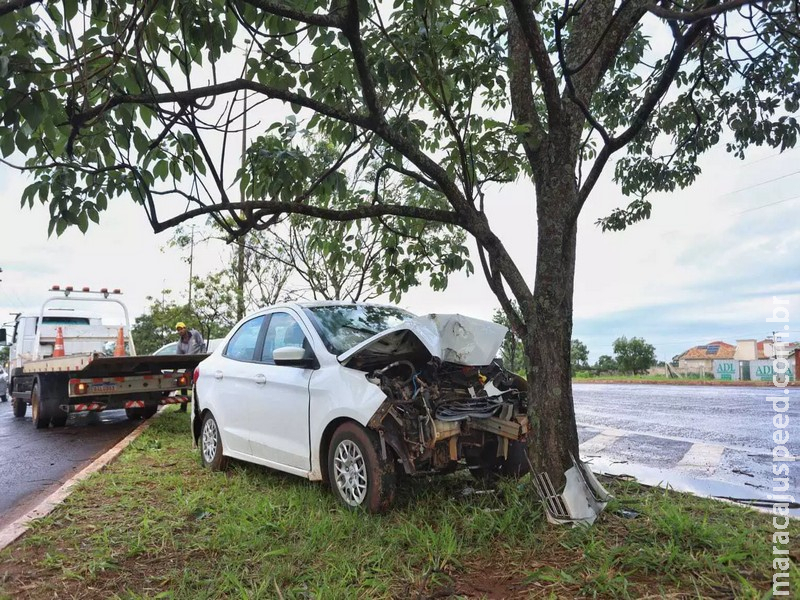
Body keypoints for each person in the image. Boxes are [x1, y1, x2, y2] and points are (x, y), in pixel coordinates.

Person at [175, 322, 204, 412]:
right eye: (178, 330)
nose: (180, 331)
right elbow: (178, 356)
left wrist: (203, 356)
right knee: (183, 381)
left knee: (199, 384)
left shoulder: (194, 334)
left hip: (199, 362)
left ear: (185, 328)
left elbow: (202, 344)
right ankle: (183, 408)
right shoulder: (180, 343)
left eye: (181, 329)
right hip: (189, 364)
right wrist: (175, 369)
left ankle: (200, 406)